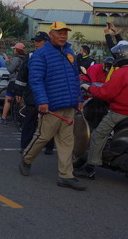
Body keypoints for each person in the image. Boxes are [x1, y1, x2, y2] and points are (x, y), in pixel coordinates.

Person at [19, 22, 86, 191]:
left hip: (69, 105)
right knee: (43, 137)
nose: (63, 36)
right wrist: (42, 101)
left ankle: (66, 176)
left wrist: (79, 99)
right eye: (59, 33)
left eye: (65, 33)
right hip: (51, 105)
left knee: (66, 142)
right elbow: (36, 80)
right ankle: (26, 159)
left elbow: (74, 78)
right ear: (51, 34)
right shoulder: (41, 54)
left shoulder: (70, 53)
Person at [78, 43, 128, 179]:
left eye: (117, 56)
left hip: (121, 112)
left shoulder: (121, 73)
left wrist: (88, 88)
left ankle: (89, 168)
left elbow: (106, 93)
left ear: (122, 57)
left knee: (98, 135)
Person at [16, 31, 54, 154]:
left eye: (39, 41)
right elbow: (23, 74)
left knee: (49, 122)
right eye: (35, 41)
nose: (36, 43)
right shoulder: (31, 55)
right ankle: (25, 146)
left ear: (47, 42)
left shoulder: (54, 55)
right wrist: (18, 92)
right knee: (30, 120)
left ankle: (49, 147)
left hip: (49, 94)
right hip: (32, 93)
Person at [0, 42, 26, 124]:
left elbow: (10, 69)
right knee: (21, 100)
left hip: (14, 81)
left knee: (8, 99)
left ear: (17, 50)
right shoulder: (26, 58)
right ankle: (23, 117)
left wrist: (7, 62)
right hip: (23, 82)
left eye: (14, 49)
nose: (13, 50)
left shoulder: (16, 58)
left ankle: (3, 118)